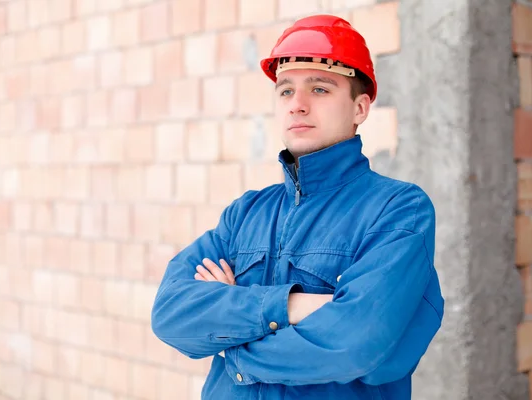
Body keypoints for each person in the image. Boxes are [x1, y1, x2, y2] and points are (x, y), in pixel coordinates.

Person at [152, 14, 444, 399]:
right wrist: (292, 306)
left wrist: (230, 345)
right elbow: (171, 313)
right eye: (286, 91)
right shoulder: (245, 214)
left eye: (320, 89)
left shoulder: (398, 210)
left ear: (360, 108)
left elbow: (356, 343)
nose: (298, 105)